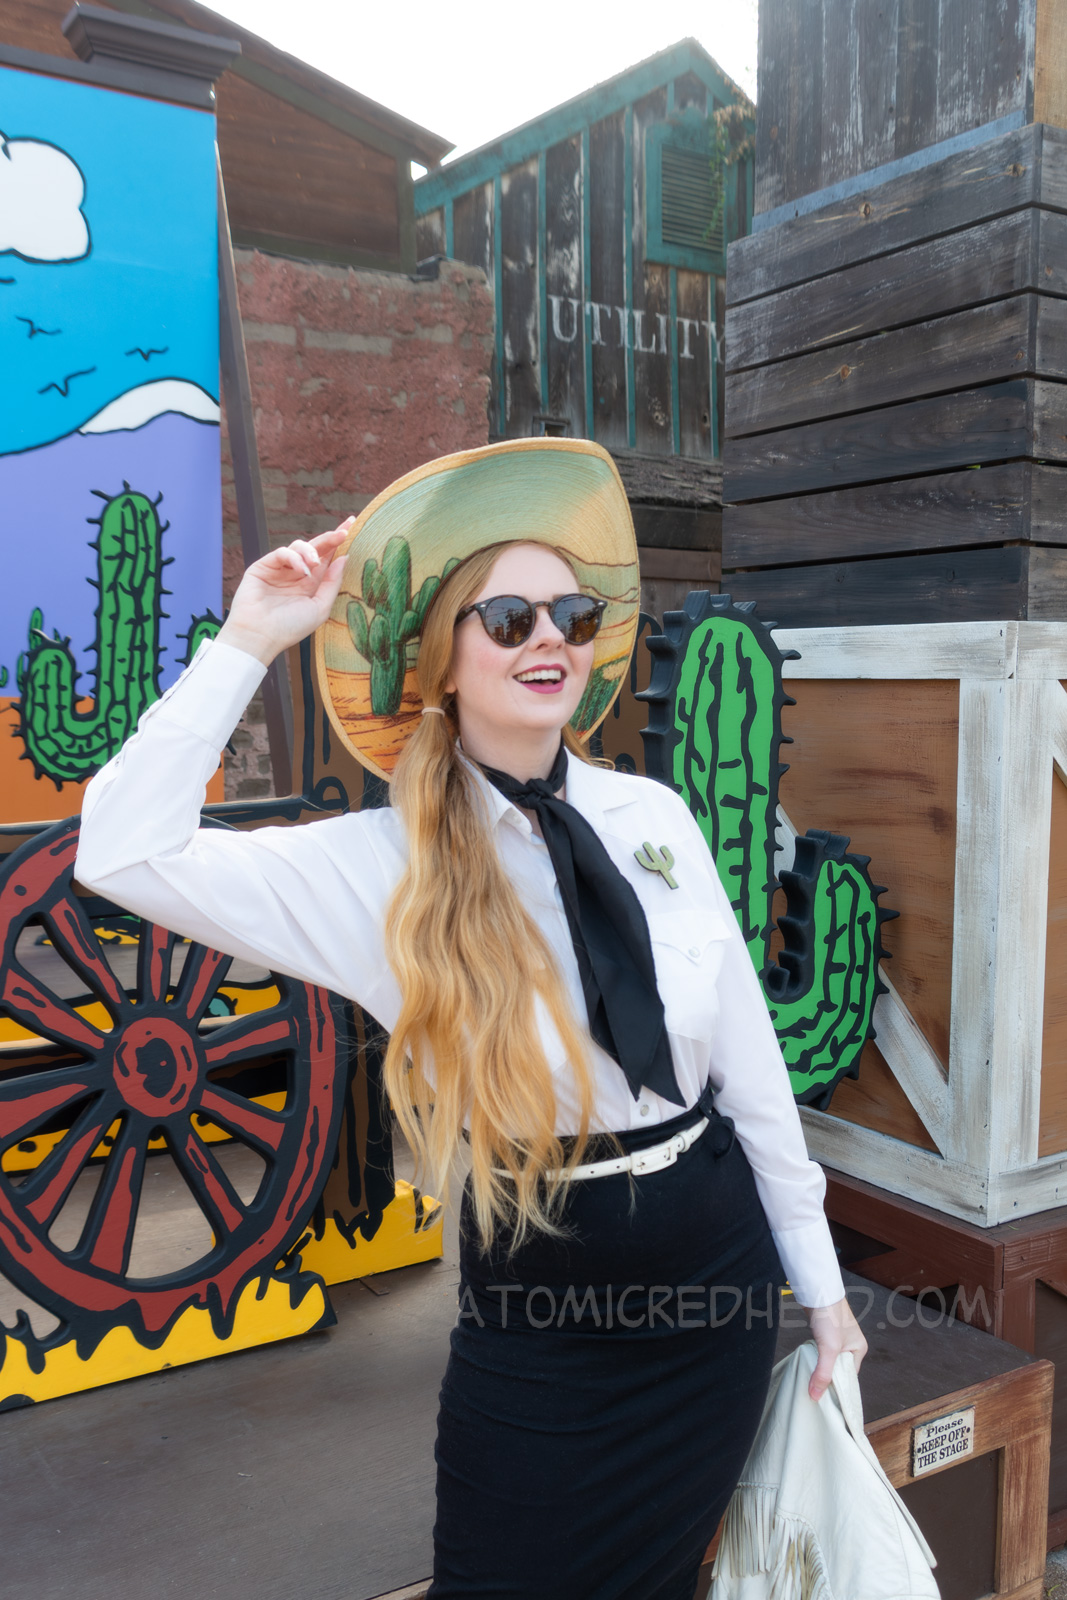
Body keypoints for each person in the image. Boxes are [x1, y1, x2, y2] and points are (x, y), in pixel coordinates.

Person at [75, 438, 866, 1600]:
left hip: (713, 1295)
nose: (547, 636)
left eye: (570, 613)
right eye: (506, 616)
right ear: (443, 656)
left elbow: (746, 1072)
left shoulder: (653, 815)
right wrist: (248, 639)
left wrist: (825, 1294)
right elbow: (121, 849)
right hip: (540, 1311)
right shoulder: (376, 866)